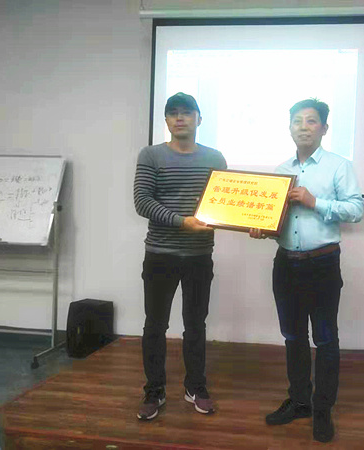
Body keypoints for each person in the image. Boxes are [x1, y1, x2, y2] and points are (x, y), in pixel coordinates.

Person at [250, 98, 364, 442]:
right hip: (286, 264)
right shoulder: (280, 170)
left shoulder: (338, 166)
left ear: (324, 128)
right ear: (289, 128)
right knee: (293, 337)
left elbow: (356, 210)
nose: (303, 127)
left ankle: (323, 409)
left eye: (311, 121)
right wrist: (262, 228)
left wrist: (315, 202)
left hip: (323, 264)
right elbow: (278, 220)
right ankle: (300, 401)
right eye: (297, 121)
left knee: (325, 339)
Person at [134, 92, 227, 420]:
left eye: (186, 112)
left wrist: (250, 222)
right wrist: (181, 221)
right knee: (155, 325)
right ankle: (154, 389)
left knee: (196, 325)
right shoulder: (151, 155)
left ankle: (195, 387)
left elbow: (224, 204)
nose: (179, 118)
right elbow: (142, 202)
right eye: (172, 113)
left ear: (199, 119)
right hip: (160, 254)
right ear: (166, 120)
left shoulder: (215, 158)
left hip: (199, 255)